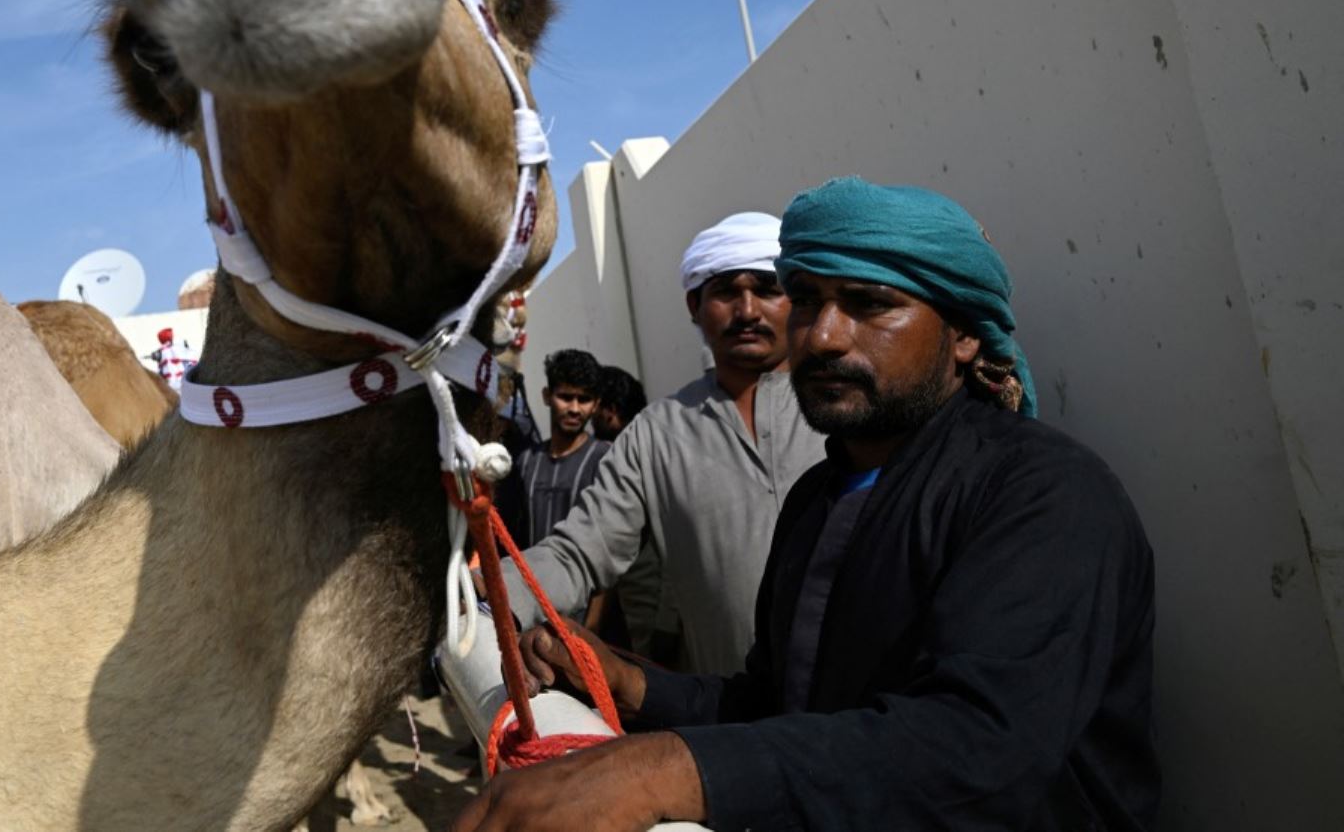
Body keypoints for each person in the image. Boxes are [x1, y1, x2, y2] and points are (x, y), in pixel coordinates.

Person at [460, 178, 1158, 832]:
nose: (823, 334)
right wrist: (630, 684)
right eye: (809, 297)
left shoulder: (1044, 493)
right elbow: (778, 705)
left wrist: (668, 769)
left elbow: (979, 748)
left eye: (870, 303)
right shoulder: (818, 496)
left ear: (965, 332)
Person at [498, 212, 826, 674]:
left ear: (794, 299)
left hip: (871, 716)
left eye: (768, 289)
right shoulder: (655, 434)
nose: (748, 310)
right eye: (726, 291)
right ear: (695, 305)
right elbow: (580, 552)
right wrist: (490, 595)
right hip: (729, 721)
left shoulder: (845, 404)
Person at [497, 349, 612, 552]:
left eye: (584, 399)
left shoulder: (606, 459)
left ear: (596, 405)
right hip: (530, 580)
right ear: (547, 396)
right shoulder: (526, 461)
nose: (574, 409)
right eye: (566, 397)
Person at [591, 365, 646, 441]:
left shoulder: (600, 450)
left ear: (611, 410)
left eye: (594, 405)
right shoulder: (653, 440)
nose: (591, 412)